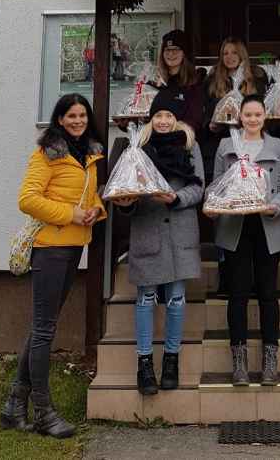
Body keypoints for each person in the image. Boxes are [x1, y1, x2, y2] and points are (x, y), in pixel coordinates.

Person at [1, 94, 106, 439]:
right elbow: (27, 199)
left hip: (74, 246)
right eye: (70, 116)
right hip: (49, 249)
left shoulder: (90, 153)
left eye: (82, 115)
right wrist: (71, 214)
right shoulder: (48, 153)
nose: (77, 120)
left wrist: (95, 211)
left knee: (42, 327)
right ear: (59, 119)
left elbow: (89, 197)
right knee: (45, 330)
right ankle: (44, 413)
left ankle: (14, 406)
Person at [113, 96, 204, 395]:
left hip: (179, 232)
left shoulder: (191, 147)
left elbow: (198, 187)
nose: (163, 120)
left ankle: (171, 360)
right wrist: (125, 205)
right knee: (145, 299)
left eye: (169, 115)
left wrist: (176, 199)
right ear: (150, 119)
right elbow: (127, 189)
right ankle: (144, 363)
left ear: (178, 120)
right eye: (158, 115)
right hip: (148, 231)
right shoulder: (137, 149)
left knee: (177, 299)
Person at [208, 95, 280, 386]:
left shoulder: (276, 146)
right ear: (240, 117)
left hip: (268, 224)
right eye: (248, 115)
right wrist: (215, 205)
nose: (253, 119)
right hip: (235, 225)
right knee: (238, 294)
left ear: (265, 116)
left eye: (258, 114)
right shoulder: (226, 146)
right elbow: (216, 184)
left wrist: (276, 206)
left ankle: (270, 361)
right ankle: (239, 362)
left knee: (269, 294)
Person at [202, 37, 269, 296]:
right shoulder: (212, 82)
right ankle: (226, 274)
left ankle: (250, 276)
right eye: (225, 53)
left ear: (242, 55)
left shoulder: (257, 81)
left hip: (252, 152)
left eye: (234, 52)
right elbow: (206, 116)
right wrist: (213, 123)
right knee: (226, 214)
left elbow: (264, 114)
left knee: (251, 212)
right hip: (224, 153)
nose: (229, 57)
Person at [151, 29, 205, 133]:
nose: (171, 54)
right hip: (154, 142)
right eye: (167, 50)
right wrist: (128, 122)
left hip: (182, 142)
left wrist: (171, 128)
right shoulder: (155, 82)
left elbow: (195, 120)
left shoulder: (194, 83)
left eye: (175, 49)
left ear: (184, 53)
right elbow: (145, 116)